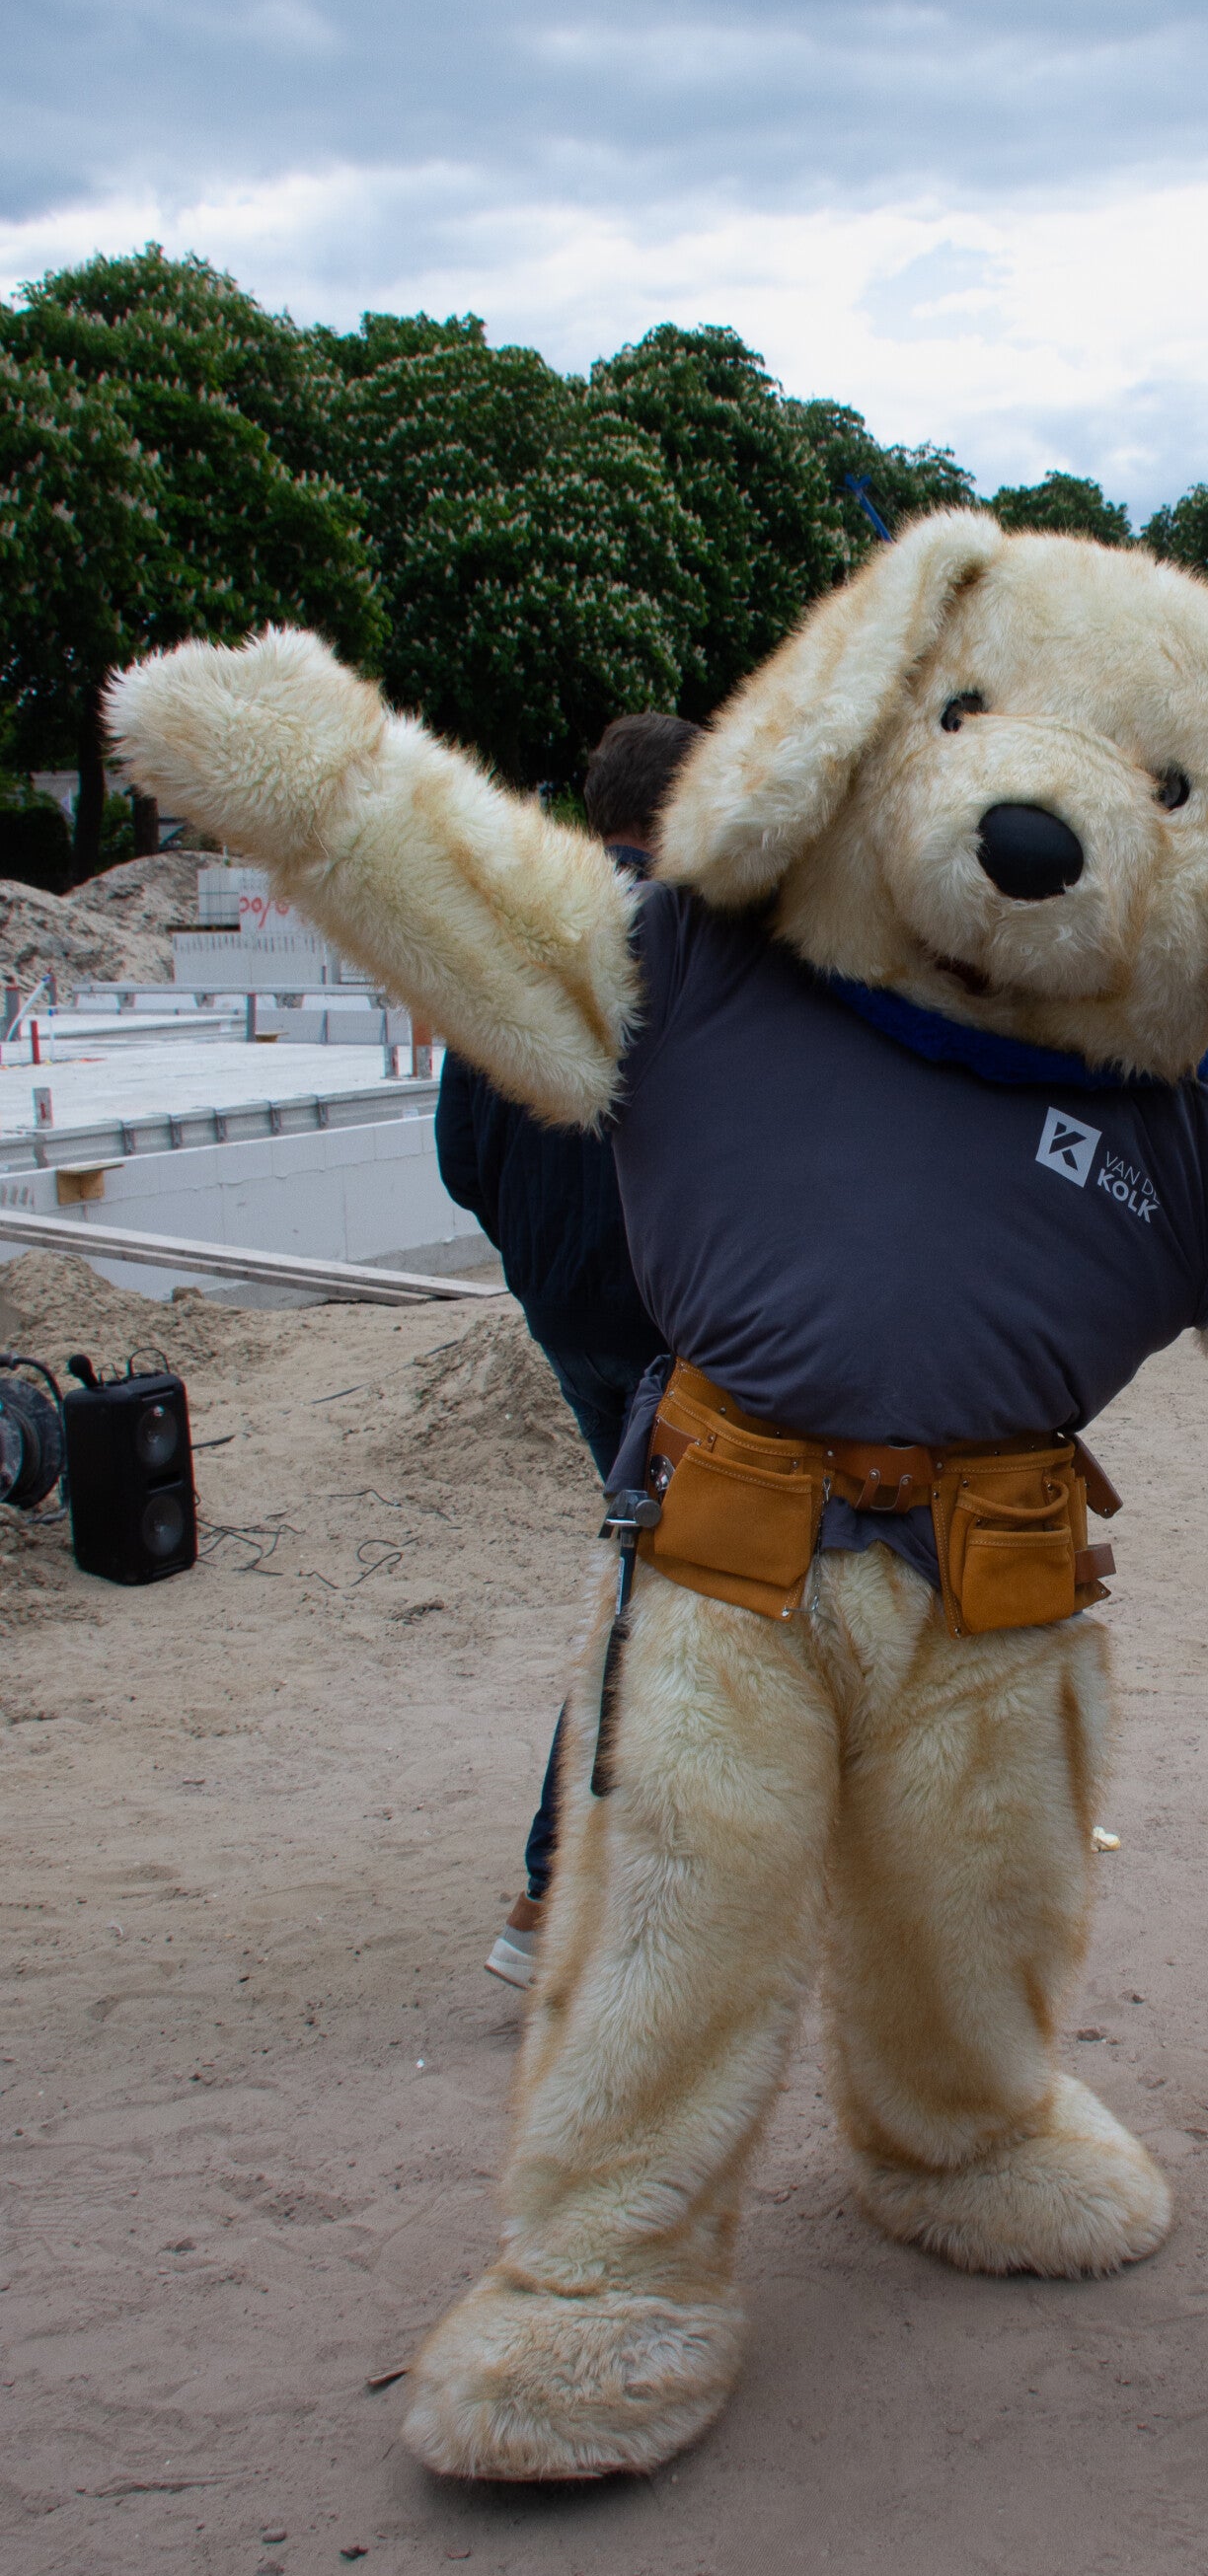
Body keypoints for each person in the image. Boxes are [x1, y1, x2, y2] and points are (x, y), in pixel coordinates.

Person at [434, 709, 701, 1982]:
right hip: (670, 1324)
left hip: (568, 1313)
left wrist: (548, 1258)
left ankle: (647, 1868)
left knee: (666, 1573)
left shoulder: (507, 939)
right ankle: (551, 1893)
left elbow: (461, 1160)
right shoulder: (686, 942)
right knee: (656, 1591)